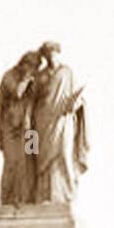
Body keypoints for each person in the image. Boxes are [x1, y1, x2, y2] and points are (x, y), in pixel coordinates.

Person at [31, 41, 88, 203]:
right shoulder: (39, 76)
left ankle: (65, 195)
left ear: (58, 53)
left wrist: (75, 104)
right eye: (47, 53)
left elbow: (78, 97)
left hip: (63, 119)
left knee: (64, 154)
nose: (51, 56)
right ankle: (43, 195)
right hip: (42, 121)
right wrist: (29, 137)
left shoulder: (67, 72)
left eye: (53, 52)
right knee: (40, 158)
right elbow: (32, 101)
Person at [0, 51, 41, 204]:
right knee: (12, 162)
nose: (34, 70)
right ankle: (7, 201)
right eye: (32, 66)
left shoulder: (35, 79)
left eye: (36, 67)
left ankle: (29, 199)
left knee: (31, 161)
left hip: (31, 130)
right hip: (11, 128)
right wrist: (28, 78)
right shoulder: (10, 76)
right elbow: (18, 92)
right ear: (23, 64)